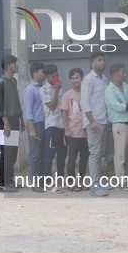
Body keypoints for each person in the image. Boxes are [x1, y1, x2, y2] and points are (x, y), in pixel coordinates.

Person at [105, 64, 128, 191]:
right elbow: (120, 107)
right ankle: (121, 181)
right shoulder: (109, 91)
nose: (125, 74)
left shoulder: (127, 87)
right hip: (119, 126)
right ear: (115, 74)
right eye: (122, 72)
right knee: (120, 155)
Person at [81, 52, 109, 197]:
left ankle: (97, 181)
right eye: (99, 60)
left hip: (103, 121)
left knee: (100, 154)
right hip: (94, 122)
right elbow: (84, 102)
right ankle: (94, 185)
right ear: (92, 63)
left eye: (103, 60)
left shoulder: (104, 79)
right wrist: (92, 121)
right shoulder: (88, 79)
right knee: (95, 153)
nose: (102, 62)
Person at [0, 55, 23, 192]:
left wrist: (21, 119)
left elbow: (16, 102)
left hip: (15, 119)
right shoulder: (1, 83)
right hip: (5, 121)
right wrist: (6, 123)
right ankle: (3, 183)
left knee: (13, 153)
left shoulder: (14, 82)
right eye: (15, 63)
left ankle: (10, 180)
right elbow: (0, 106)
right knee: (7, 153)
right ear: (9, 65)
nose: (16, 66)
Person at [39, 64, 67, 193]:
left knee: (62, 155)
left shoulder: (60, 87)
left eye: (57, 75)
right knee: (49, 156)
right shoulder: (44, 89)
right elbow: (52, 106)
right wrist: (56, 90)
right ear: (46, 77)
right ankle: (48, 183)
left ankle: (60, 181)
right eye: (53, 76)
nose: (56, 78)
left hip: (63, 125)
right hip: (52, 125)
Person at [61, 68, 89, 192]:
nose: (75, 80)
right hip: (72, 133)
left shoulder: (87, 93)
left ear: (82, 78)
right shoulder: (67, 95)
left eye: (77, 77)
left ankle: (81, 181)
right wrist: (66, 129)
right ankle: (71, 182)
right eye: (73, 78)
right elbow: (64, 113)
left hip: (86, 133)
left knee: (84, 158)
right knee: (71, 159)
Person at [23, 62, 46, 192]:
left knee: (42, 153)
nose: (44, 74)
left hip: (44, 124)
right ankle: (35, 182)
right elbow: (28, 112)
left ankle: (41, 181)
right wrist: (31, 128)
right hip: (35, 125)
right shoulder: (30, 90)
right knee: (35, 154)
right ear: (35, 73)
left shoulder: (42, 88)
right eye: (42, 71)